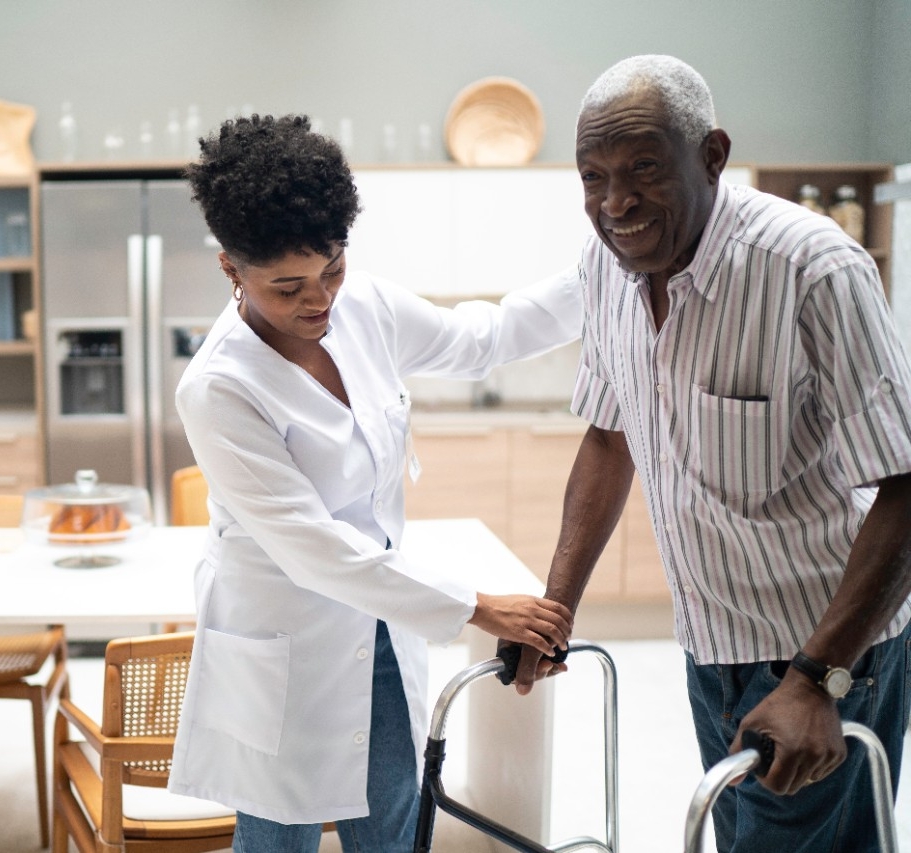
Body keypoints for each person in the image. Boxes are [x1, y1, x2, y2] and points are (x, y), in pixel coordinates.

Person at [513, 55, 911, 852]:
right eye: (592, 177)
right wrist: (550, 612)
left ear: (712, 156)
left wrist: (815, 679)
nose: (614, 203)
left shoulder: (809, 269)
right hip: (709, 647)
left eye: (643, 170)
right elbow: (606, 433)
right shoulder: (605, 266)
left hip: (827, 652)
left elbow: (906, 481)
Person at [166, 113, 580, 853]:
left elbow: (483, 338)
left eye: (331, 267)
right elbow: (314, 549)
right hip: (282, 642)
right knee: (277, 836)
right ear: (231, 269)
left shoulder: (367, 309)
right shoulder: (219, 387)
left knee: (392, 825)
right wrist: (479, 606)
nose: (318, 298)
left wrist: (602, 271)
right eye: (286, 286)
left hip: (385, 627)